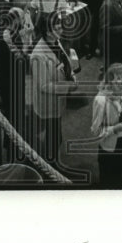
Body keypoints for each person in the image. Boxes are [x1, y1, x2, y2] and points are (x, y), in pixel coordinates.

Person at [29, 12, 78, 165]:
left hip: (58, 97)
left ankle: (55, 148)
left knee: (56, 126)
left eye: (60, 26)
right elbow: (44, 85)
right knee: (52, 131)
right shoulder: (38, 55)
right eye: (56, 28)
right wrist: (68, 87)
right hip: (48, 101)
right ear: (46, 31)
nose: (60, 30)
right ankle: (51, 162)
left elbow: (64, 61)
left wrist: (72, 75)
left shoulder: (55, 41)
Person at [90, 63, 122, 185]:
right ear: (110, 82)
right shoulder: (101, 101)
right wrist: (114, 129)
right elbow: (96, 131)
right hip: (109, 148)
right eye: (121, 85)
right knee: (108, 180)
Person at [0, 0, 34, 140]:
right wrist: (27, 41)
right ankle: (10, 141)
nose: (24, 21)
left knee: (16, 109)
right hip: (8, 81)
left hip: (14, 78)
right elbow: (20, 57)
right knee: (11, 114)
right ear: (16, 20)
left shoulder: (12, 32)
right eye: (22, 18)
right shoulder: (7, 38)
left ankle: (16, 134)